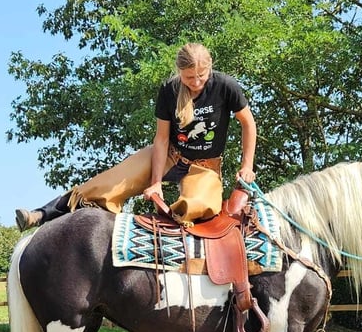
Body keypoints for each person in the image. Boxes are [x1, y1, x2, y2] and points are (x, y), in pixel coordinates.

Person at [15, 42, 257, 230]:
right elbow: (161, 139)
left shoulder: (226, 86)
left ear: (210, 67)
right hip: (170, 155)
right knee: (107, 184)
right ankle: (41, 215)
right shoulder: (169, 90)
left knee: (199, 207)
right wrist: (155, 183)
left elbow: (248, 124)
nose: (195, 82)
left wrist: (247, 166)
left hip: (205, 167)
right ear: (179, 72)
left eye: (201, 76)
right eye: (188, 77)